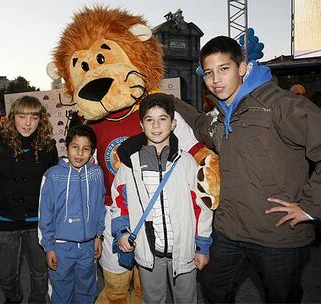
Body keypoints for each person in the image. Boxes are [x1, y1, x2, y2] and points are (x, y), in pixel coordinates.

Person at [175, 36, 321, 303]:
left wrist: (310, 207)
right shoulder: (222, 113)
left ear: (242, 68)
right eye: (208, 72)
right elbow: (199, 124)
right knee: (213, 287)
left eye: (224, 68)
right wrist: (169, 101)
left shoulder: (280, 105)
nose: (215, 79)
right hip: (230, 230)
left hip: (277, 235)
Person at [111, 93, 213, 304]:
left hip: (184, 250)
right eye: (150, 119)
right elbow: (120, 201)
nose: (156, 126)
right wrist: (121, 231)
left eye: (162, 119)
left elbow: (201, 206)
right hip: (149, 252)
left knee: (186, 299)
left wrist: (202, 245)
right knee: (153, 299)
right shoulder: (131, 164)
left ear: (173, 123)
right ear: (141, 124)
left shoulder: (186, 162)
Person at [0, 95, 58, 303]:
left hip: (36, 222)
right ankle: (14, 299)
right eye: (22, 116)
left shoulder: (48, 147)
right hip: (6, 221)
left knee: (39, 274)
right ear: (13, 118)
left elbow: (53, 188)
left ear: (41, 120)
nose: (28, 123)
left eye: (34, 117)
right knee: (5, 276)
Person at [38, 124, 106, 304]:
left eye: (86, 149)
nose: (79, 153)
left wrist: (98, 236)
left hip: (88, 247)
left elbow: (100, 207)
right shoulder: (52, 176)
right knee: (61, 292)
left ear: (92, 152)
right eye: (75, 147)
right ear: (66, 147)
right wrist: (49, 247)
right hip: (61, 248)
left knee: (87, 290)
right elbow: (45, 214)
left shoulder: (96, 174)